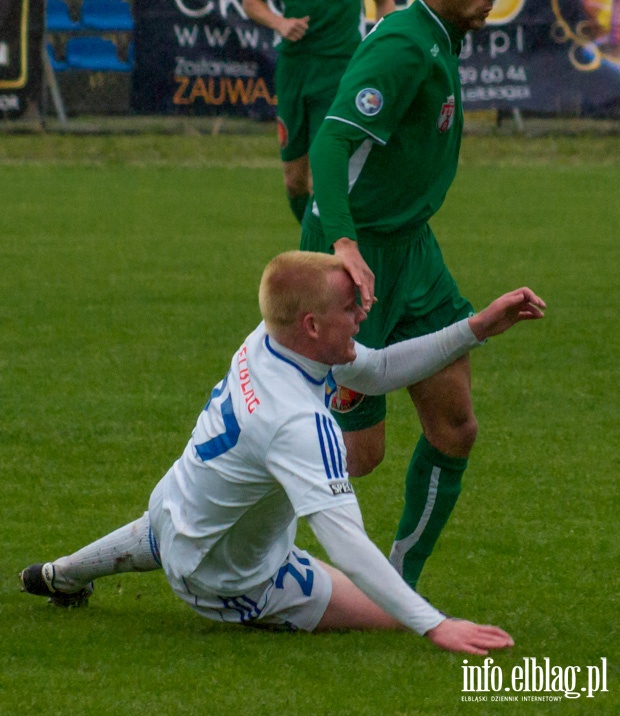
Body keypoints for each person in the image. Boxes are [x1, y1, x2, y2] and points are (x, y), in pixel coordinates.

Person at [20, 251, 545, 650]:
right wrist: (436, 626)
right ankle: (215, 586)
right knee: (391, 614)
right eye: (350, 305)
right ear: (312, 325)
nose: (363, 312)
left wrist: (475, 329)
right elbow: (347, 544)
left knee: (168, 529)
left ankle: (57, 576)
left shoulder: (270, 337)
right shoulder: (297, 422)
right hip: (231, 579)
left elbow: (379, 370)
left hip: (174, 509)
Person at [301, 0, 502, 592]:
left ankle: (397, 582)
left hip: (414, 251)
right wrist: (343, 247)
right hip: (354, 260)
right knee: (358, 454)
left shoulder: (441, 39)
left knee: (455, 426)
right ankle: (221, 515)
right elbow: (330, 144)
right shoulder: (405, 48)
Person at [242, 0, 396, 225]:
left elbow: (385, 1)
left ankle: (325, 251)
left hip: (341, 72)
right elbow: (252, 0)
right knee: (295, 180)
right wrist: (280, 23)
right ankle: (312, 239)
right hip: (295, 70)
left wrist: (377, 44)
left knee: (325, 175)